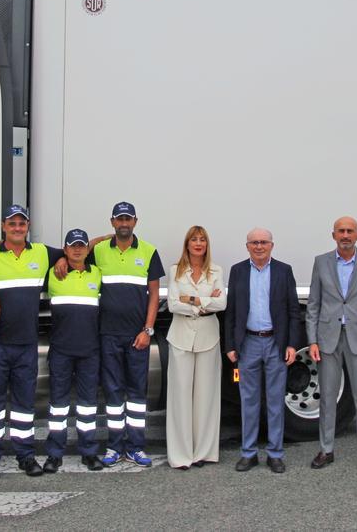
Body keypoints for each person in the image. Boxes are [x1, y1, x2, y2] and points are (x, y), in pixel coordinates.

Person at [0, 205, 64, 478]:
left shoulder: (42, 253)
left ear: (28, 226)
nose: (17, 228)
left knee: (24, 406)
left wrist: (60, 260)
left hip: (26, 344)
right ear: (3, 226)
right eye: (12, 224)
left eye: (21, 224)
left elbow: (76, 253)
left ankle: (26, 456)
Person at [305, 216, 357, 473]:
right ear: (333, 235)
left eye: (350, 231)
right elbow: (314, 305)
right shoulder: (321, 262)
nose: (345, 235)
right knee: (328, 398)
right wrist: (312, 340)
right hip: (328, 339)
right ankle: (326, 449)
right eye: (341, 231)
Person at [88, 202, 164, 467]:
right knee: (112, 394)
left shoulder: (149, 251)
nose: (124, 223)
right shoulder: (98, 251)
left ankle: (135, 447)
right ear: (112, 222)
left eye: (128, 219)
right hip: (107, 334)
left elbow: (154, 294)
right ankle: (114, 446)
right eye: (119, 219)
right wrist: (100, 238)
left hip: (137, 337)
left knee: (136, 394)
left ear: (135, 221)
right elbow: (74, 253)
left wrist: (148, 330)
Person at [224, 228, 301, 474]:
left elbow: (292, 310)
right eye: (254, 242)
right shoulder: (238, 271)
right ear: (247, 246)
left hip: (275, 343)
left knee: (276, 401)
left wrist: (291, 344)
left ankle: (275, 454)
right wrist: (231, 345)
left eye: (263, 242)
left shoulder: (283, 270)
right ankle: (248, 453)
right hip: (248, 344)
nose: (259, 246)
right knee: (249, 401)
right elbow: (231, 312)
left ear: (272, 245)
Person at [43, 229, 108, 473]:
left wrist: (102, 238)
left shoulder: (98, 274)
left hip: (90, 350)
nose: (78, 249)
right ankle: (54, 454)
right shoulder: (52, 273)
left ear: (87, 249)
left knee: (88, 406)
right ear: (65, 249)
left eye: (82, 245)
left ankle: (89, 453)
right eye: (73, 246)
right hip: (61, 350)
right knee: (58, 405)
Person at [165, 226, 226, 470]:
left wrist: (189, 299)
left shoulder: (216, 270)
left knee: (206, 396)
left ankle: (203, 452)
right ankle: (181, 455)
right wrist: (202, 303)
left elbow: (221, 303)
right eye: (194, 239)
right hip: (180, 336)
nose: (198, 243)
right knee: (180, 397)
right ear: (187, 244)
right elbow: (171, 304)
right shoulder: (175, 271)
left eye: (202, 239)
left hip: (208, 336)